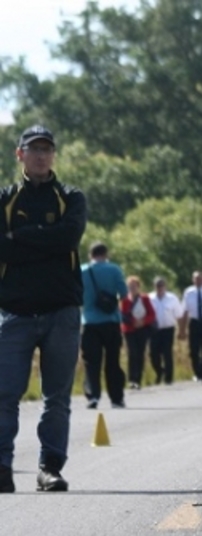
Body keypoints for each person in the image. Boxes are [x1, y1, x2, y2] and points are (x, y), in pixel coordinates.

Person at [0, 125, 86, 493]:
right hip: (14, 312)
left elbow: (69, 236)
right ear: (19, 155)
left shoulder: (71, 197)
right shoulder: (5, 199)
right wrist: (43, 241)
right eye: (33, 149)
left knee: (57, 398)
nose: (40, 155)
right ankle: (2, 466)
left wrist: (21, 238)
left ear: (53, 155)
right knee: (5, 394)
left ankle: (50, 467)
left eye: (46, 149)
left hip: (61, 311)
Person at [81, 241, 128, 409]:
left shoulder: (83, 271)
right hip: (111, 321)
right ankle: (116, 398)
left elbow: (77, 295)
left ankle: (93, 395)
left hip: (90, 321)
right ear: (105, 254)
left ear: (90, 255)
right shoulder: (114, 269)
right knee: (113, 361)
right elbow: (124, 293)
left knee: (91, 361)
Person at [120, 275, 155, 389]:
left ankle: (138, 379)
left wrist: (143, 321)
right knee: (132, 353)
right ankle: (132, 379)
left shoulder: (144, 299)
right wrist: (132, 321)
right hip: (129, 330)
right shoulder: (125, 300)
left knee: (140, 353)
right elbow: (122, 315)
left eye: (134, 286)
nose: (132, 288)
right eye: (130, 286)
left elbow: (151, 314)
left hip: (142, 330)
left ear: (138, 287)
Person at [149, 276, 183, 384]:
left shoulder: (172, 298)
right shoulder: (149, 298)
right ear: (154, 286)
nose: (159, 288)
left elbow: (179, 315)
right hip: (154, 330)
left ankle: (169, 378)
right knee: (153, 354)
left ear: (165, 286)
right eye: (157, 286)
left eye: (161, 285)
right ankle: (160, 372)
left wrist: (181, 330)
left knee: (167, 353)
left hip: (168, 329)